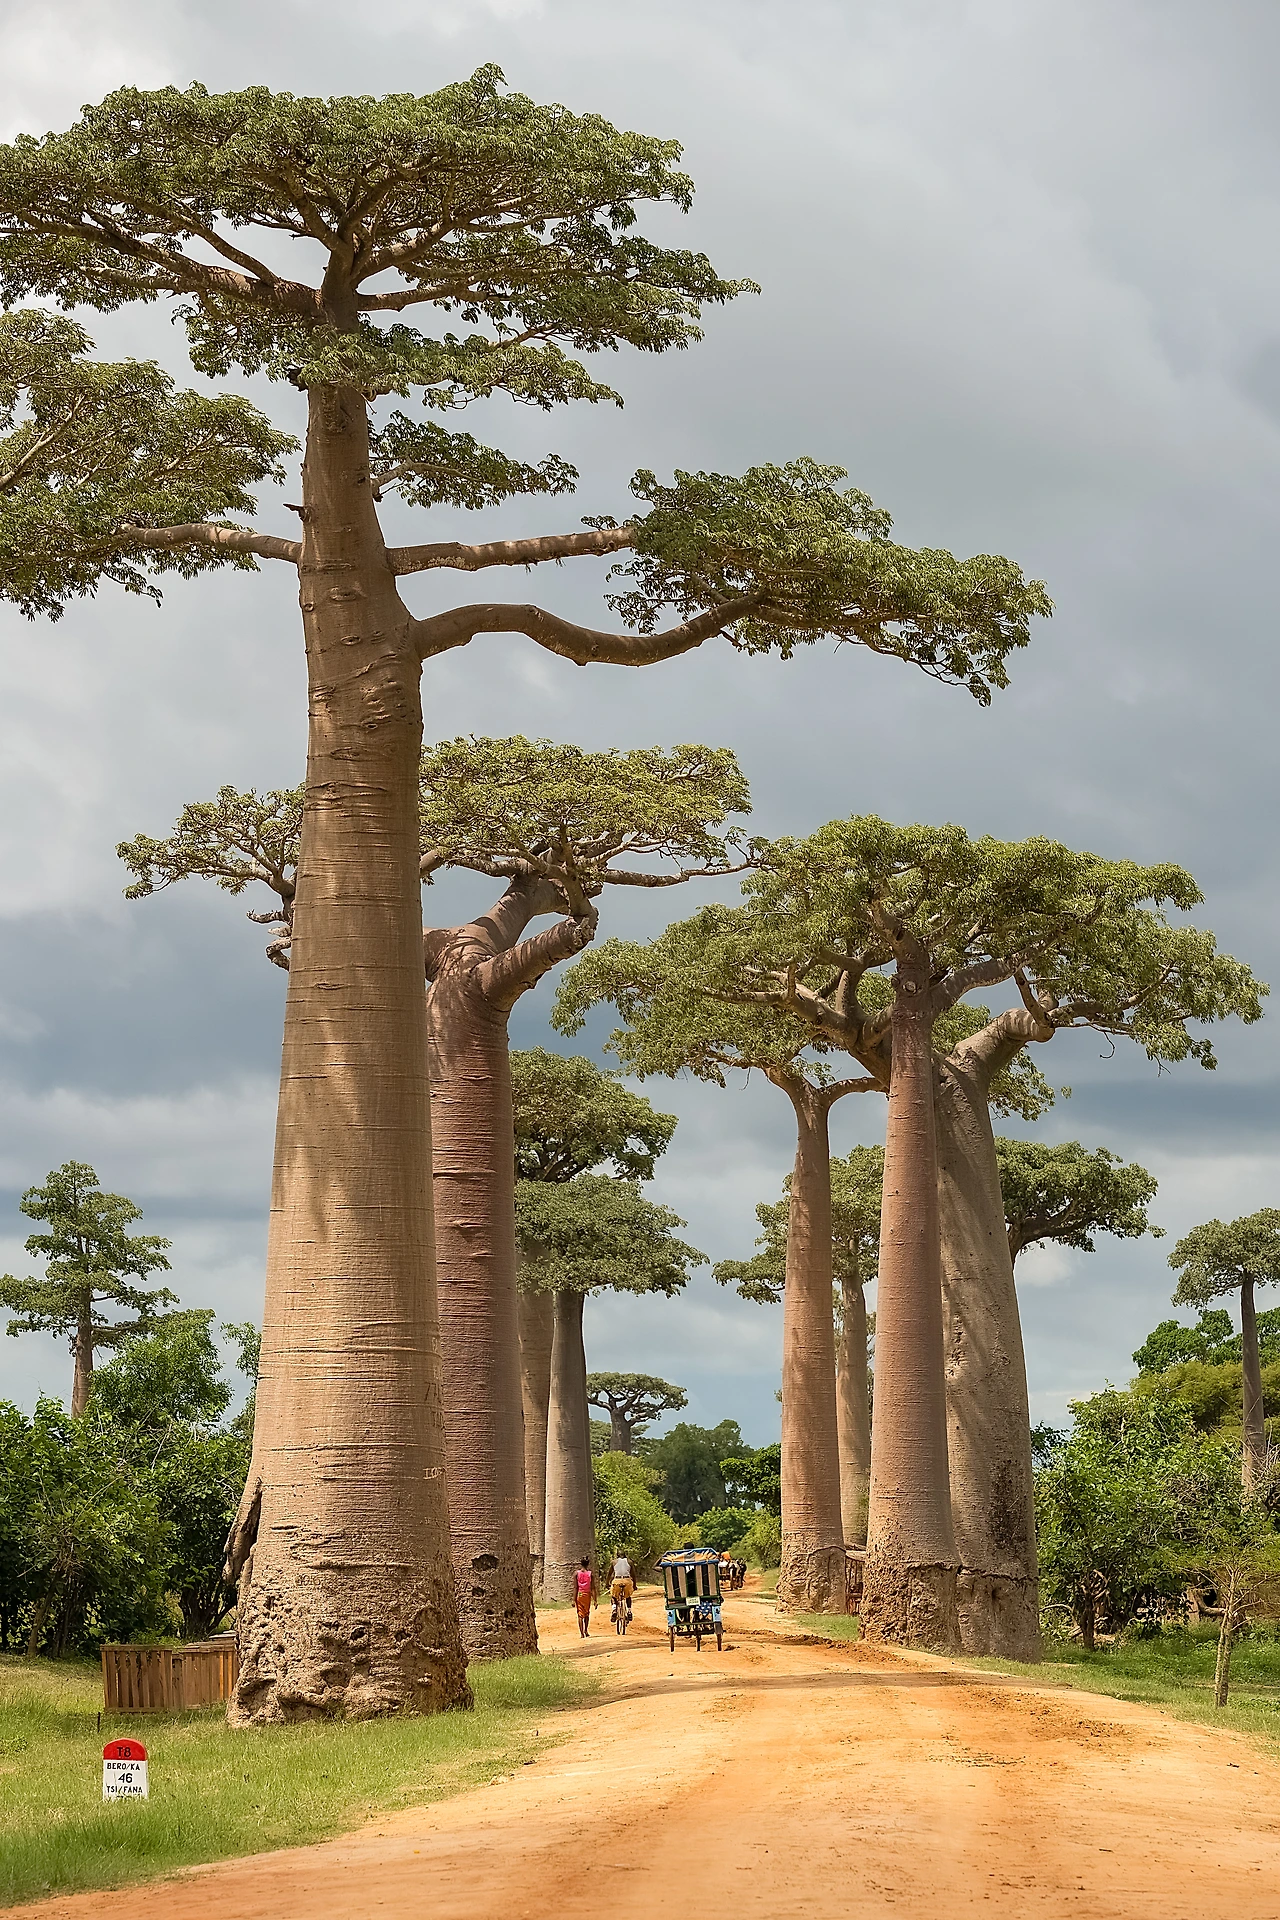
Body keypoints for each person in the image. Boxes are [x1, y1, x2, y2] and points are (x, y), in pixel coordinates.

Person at [608, 1548, 634, 1623]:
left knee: (613, 1596)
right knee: (628, 1596)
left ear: (617, 1555)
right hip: (627, 1581)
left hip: (617, 1581)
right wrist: (634, 1585)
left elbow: (609, 1574)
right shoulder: (630, 1562)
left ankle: (614, 1609)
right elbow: (633, 1575)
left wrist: (607, 1583)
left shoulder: (614, 1562)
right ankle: (629, 1611)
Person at [574, 1557, 595, 1636]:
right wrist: (595, 1600)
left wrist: (573, 1600)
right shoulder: (590, 1574)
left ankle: (581, 1633)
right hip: (587, 1595)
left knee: (580, 1614)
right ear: (588, 1564)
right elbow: (593, 1588)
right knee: (586, 1613)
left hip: (580, 1594)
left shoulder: (576, 1574)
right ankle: (586, 1630)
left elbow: (575, 1587)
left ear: (581, 1564)